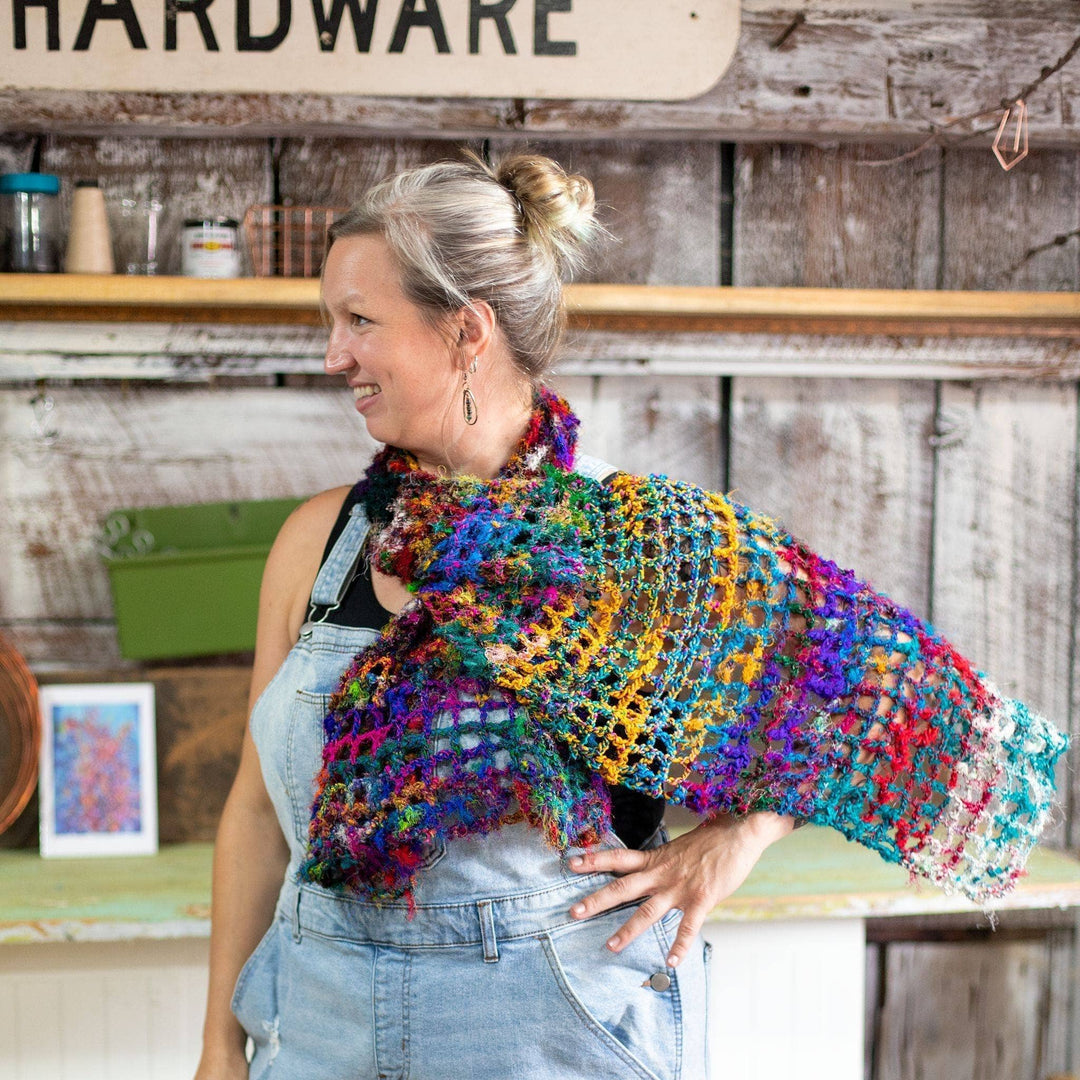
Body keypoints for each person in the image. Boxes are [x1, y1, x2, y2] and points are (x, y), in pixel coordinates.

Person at [194, 151, 1069, 1080]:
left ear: (466, 332)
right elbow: (255, 810)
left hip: (552, 1029)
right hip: (317, 1022)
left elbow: (894, 706)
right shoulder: (317, 545)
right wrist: (219, 1044)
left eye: (359, 321)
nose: (333, 354)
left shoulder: (639, 550)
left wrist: (738, 838)